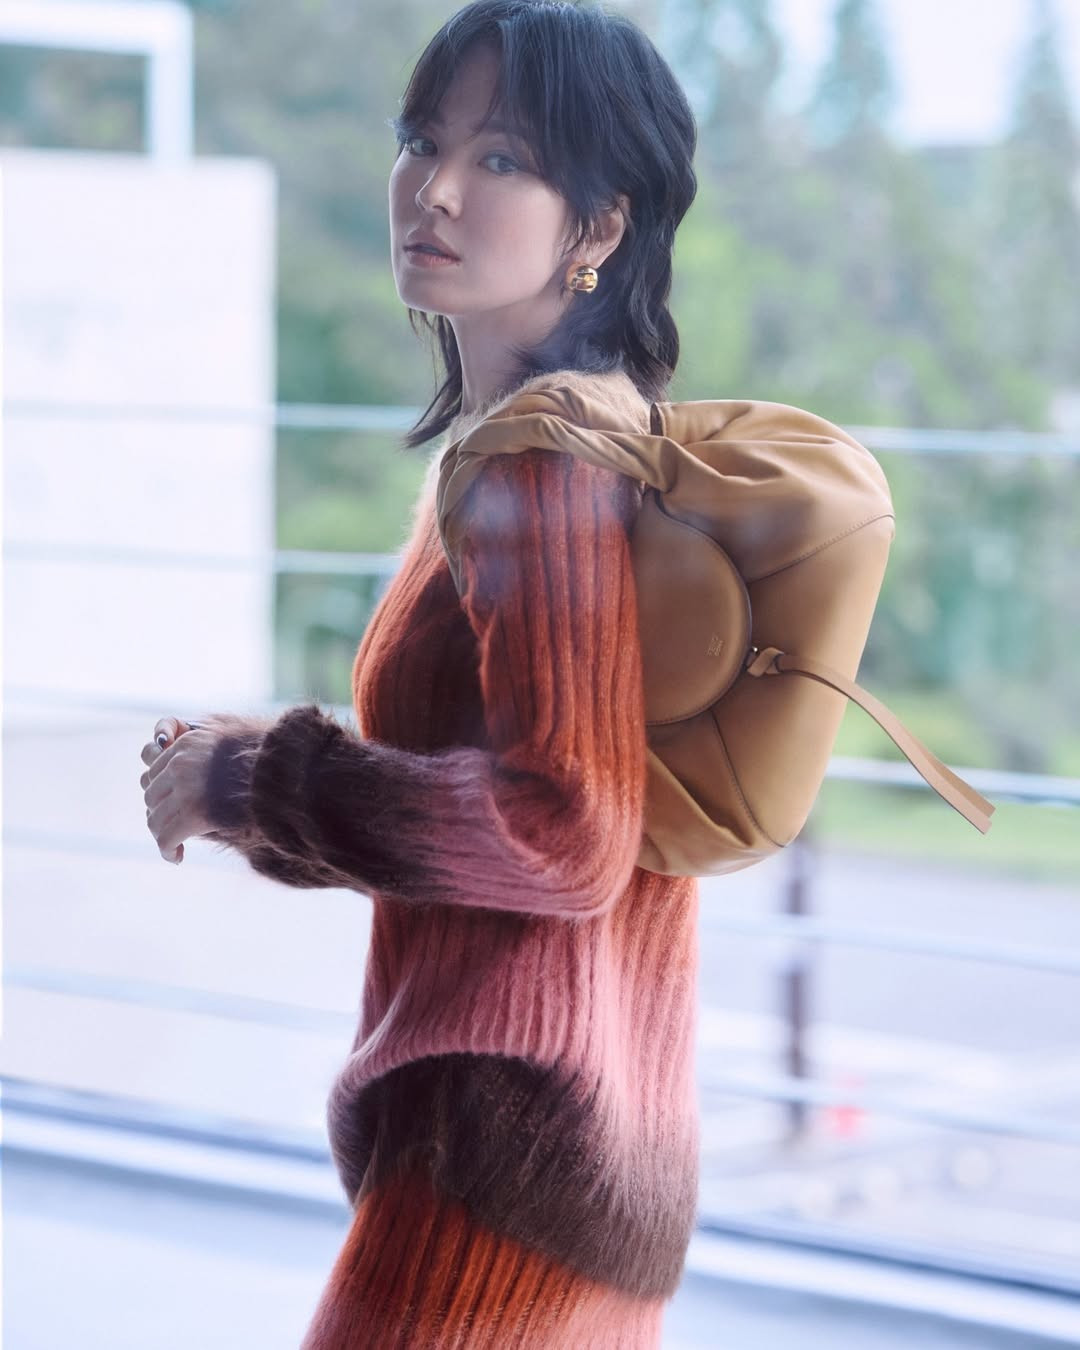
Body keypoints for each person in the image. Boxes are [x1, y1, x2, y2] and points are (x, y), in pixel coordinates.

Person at [140, 1, 699, 1343]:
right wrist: (255, 781)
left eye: (501, 158)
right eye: (419, 140)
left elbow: (562, 831)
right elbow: (494, 799)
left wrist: (253, 781)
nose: (434, 189)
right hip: (562, 1149)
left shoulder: (544, 466)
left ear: (600, 227)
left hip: (503, 1157)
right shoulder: (555, 441)